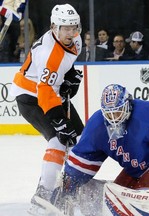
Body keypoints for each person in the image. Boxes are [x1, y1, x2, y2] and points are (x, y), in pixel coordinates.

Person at [55, 84, 149, 210]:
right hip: (134, 172)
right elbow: (82, 160)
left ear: (128, 104)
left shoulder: (148, 113)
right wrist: (69, 185)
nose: (114, 118)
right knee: (115, 200)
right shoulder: (97, 125)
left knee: (143, 203)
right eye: (109, 113)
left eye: (118, 111)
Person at [9, 3, 84, 214]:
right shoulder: (48, 53)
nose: (71, 33)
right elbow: (45, 91)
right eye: (65, 28)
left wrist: (69, 76)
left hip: (50, 92)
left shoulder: (75, 39)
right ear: (54, 27)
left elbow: (64, 68)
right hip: (30, 97)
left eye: (74, 27)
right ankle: (42, 197)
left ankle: (69, 191)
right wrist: (59, 121)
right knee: (58, 140)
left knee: (80, 137)